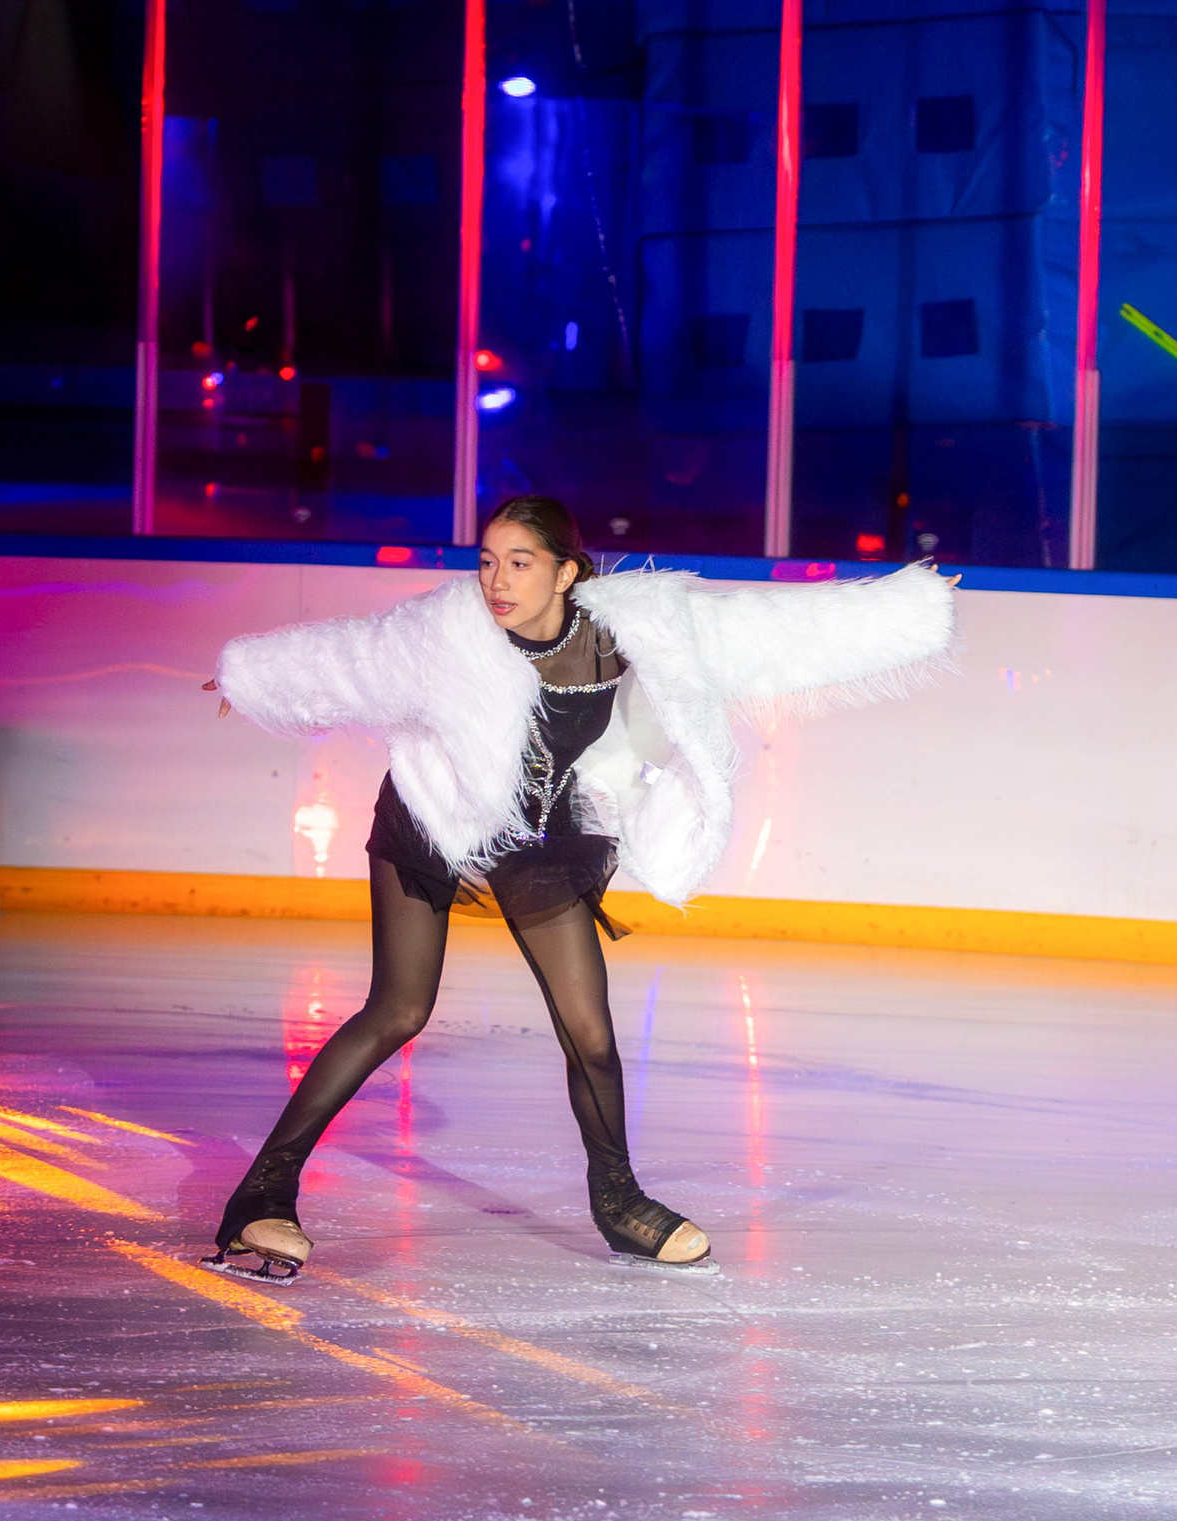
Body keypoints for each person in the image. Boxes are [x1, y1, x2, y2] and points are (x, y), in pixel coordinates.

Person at [202, 496, 956, 1281]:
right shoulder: (444, 632)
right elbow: (349, 657)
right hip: (435, 817)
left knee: (588, 1027)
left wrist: (911, 607)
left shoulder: (622, 632)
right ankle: (263, 1191)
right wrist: (250, 677)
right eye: (487, 560)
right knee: (399, 1009)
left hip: (543, 834)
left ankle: (620, 1202)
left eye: (520, 563)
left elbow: (761, 631)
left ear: (567, 572)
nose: (496, 580)